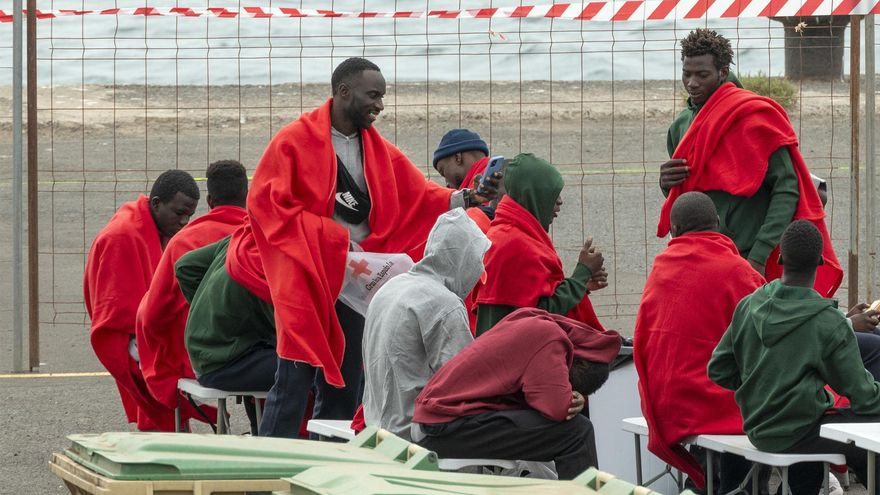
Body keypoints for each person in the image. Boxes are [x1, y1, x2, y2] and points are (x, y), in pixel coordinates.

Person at [223, 57, 500, 438]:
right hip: (307, 274)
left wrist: (468, 196)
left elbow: (418, 196)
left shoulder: (379, 150)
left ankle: (332, 464)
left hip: (355, 281)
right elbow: (266, 206)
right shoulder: (292, 142)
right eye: (373, 96)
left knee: (347, 381)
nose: (380, 106)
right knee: (294, 377)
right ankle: (268, 466)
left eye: (382, 97)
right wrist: (333, 239)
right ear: (343, 91)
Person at [657, 28, 842, 297]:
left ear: (722, 72)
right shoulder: (680, 127)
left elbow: (787, 189)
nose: (692, 83)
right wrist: (666, 185)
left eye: (702, 75)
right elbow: (688, 196)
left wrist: (759, 254)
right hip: (702, 255)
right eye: (687, 74)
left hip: (751, 254)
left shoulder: (756, 117)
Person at [708, 220, 880, 494]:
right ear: (820, 262)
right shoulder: (827, 321)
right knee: (866, 442)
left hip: (758, 428)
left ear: (780, 257)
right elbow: (864, 396)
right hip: (801, 430)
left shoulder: (749, 306)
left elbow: (718, 368)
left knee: (817, 427)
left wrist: (759, 386)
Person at [634, 191, 765, 491]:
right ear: (718, 224)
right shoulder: (739, 272)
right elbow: (771, 335)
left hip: (668, 403)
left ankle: (704, 484)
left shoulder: (661, 270)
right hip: (716, 405)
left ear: (675, 230)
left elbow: (642, 340)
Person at [412, 308, 621, 480]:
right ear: (579, 363)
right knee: (577, 432)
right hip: (442, 430)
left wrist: (569, 396)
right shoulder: (550, 337)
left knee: (566, 428)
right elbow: (558, 409)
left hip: (436, 422)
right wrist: (568, 399)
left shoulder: (530, 318)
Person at [135, 160, 249, 431]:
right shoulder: (262, 235)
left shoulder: (185, 241)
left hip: (201, 358)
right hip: (265, 352)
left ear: (209, 200)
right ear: (247, 197)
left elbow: (153, 314)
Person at [83, 169, 199, 431]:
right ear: (156, 203)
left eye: (189, 215)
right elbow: (115, 309)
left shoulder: (159, 228)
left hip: (148, 328)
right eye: (179, 213)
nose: (184, 221)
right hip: (129, 333)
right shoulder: (121, 237)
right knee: (168, 383)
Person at [362, 208, 490, 440]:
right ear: (464, 260)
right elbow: (465, 383)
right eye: (477, 261)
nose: (480, 270)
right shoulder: (444, 303)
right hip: (413, 435)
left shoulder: (391, 287)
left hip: (375, 426)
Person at [474, 153, 607, 336]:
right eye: (552, 195)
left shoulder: (509, 232)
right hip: (517, 358)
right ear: (534, 196)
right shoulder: (515, 244)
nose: (560, 202)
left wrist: (582, 284)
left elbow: (531, 299)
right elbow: (542, 315)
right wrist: (581, 274)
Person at [176, 234, 275, 435]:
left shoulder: (246, 233)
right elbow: (290, 335)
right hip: (225, 363)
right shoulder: (270, 255)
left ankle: (260, 435)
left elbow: (185, 266)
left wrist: (211, 315)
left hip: (209, 354)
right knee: (312, 369)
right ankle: (278, 443)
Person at [432, 128, 495, 229]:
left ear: (458, 158)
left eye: (443, 172)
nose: (447, 182)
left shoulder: (487, 185)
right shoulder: (497, 174)